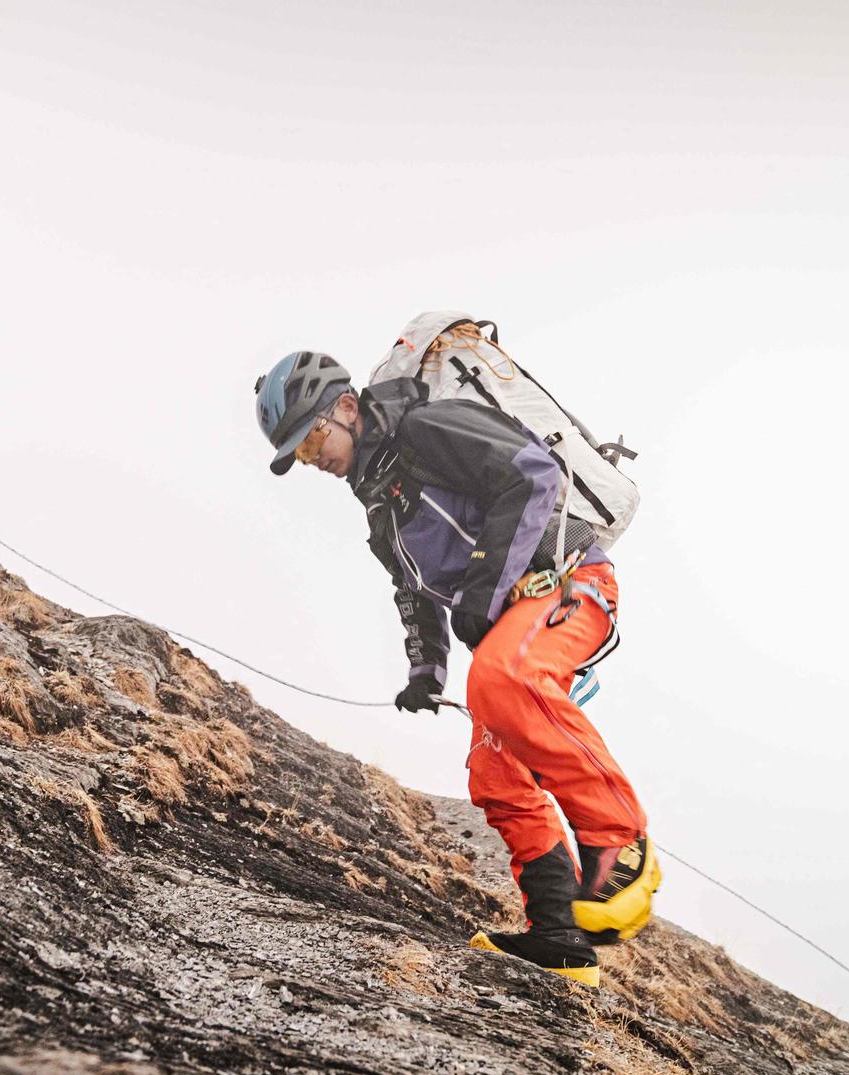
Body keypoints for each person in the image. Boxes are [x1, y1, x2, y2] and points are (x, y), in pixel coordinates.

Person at [254, 349, 661, 987]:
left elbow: (532, 474)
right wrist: (426, 672)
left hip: (570, 582)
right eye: (299, 454)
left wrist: (480, 593)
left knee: (502, 679)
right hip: (513, 618)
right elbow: (413, 590)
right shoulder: (379, 504)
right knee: (494, 774)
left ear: (347, 407)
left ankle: (620, 841)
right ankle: (560, 938)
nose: (312, 459)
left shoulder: (423, 428)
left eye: (311, 440)